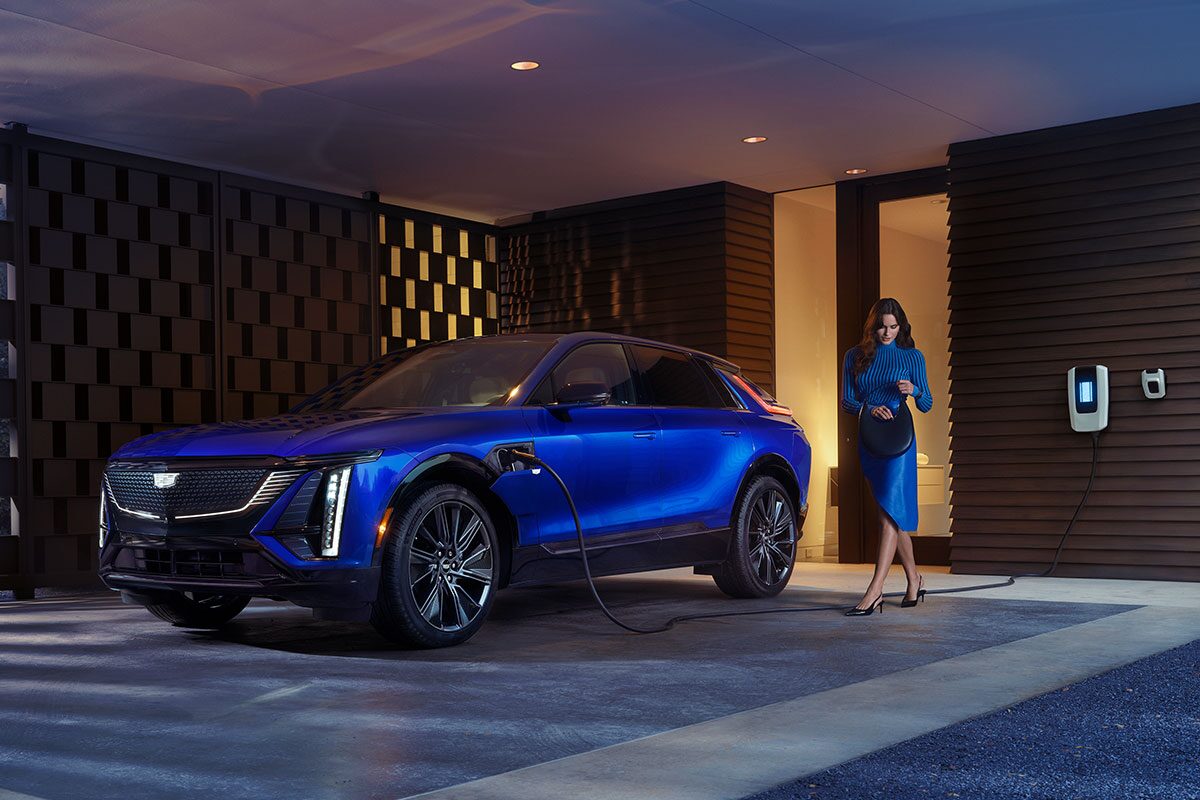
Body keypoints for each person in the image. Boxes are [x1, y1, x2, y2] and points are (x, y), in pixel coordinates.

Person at [840, 298, 933, 616]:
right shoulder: (855, 356)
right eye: (882, 326)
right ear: (872, 325)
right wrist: (867, 407)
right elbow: (847, 400)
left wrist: (914, 390)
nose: (887, 332)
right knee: (891, 514)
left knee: (886, 517)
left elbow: (927, 403)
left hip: (899, 438)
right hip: (870, 436)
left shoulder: (912, 356)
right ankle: (914, 579)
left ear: (901, 326)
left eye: (893, 327)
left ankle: (874, 591)